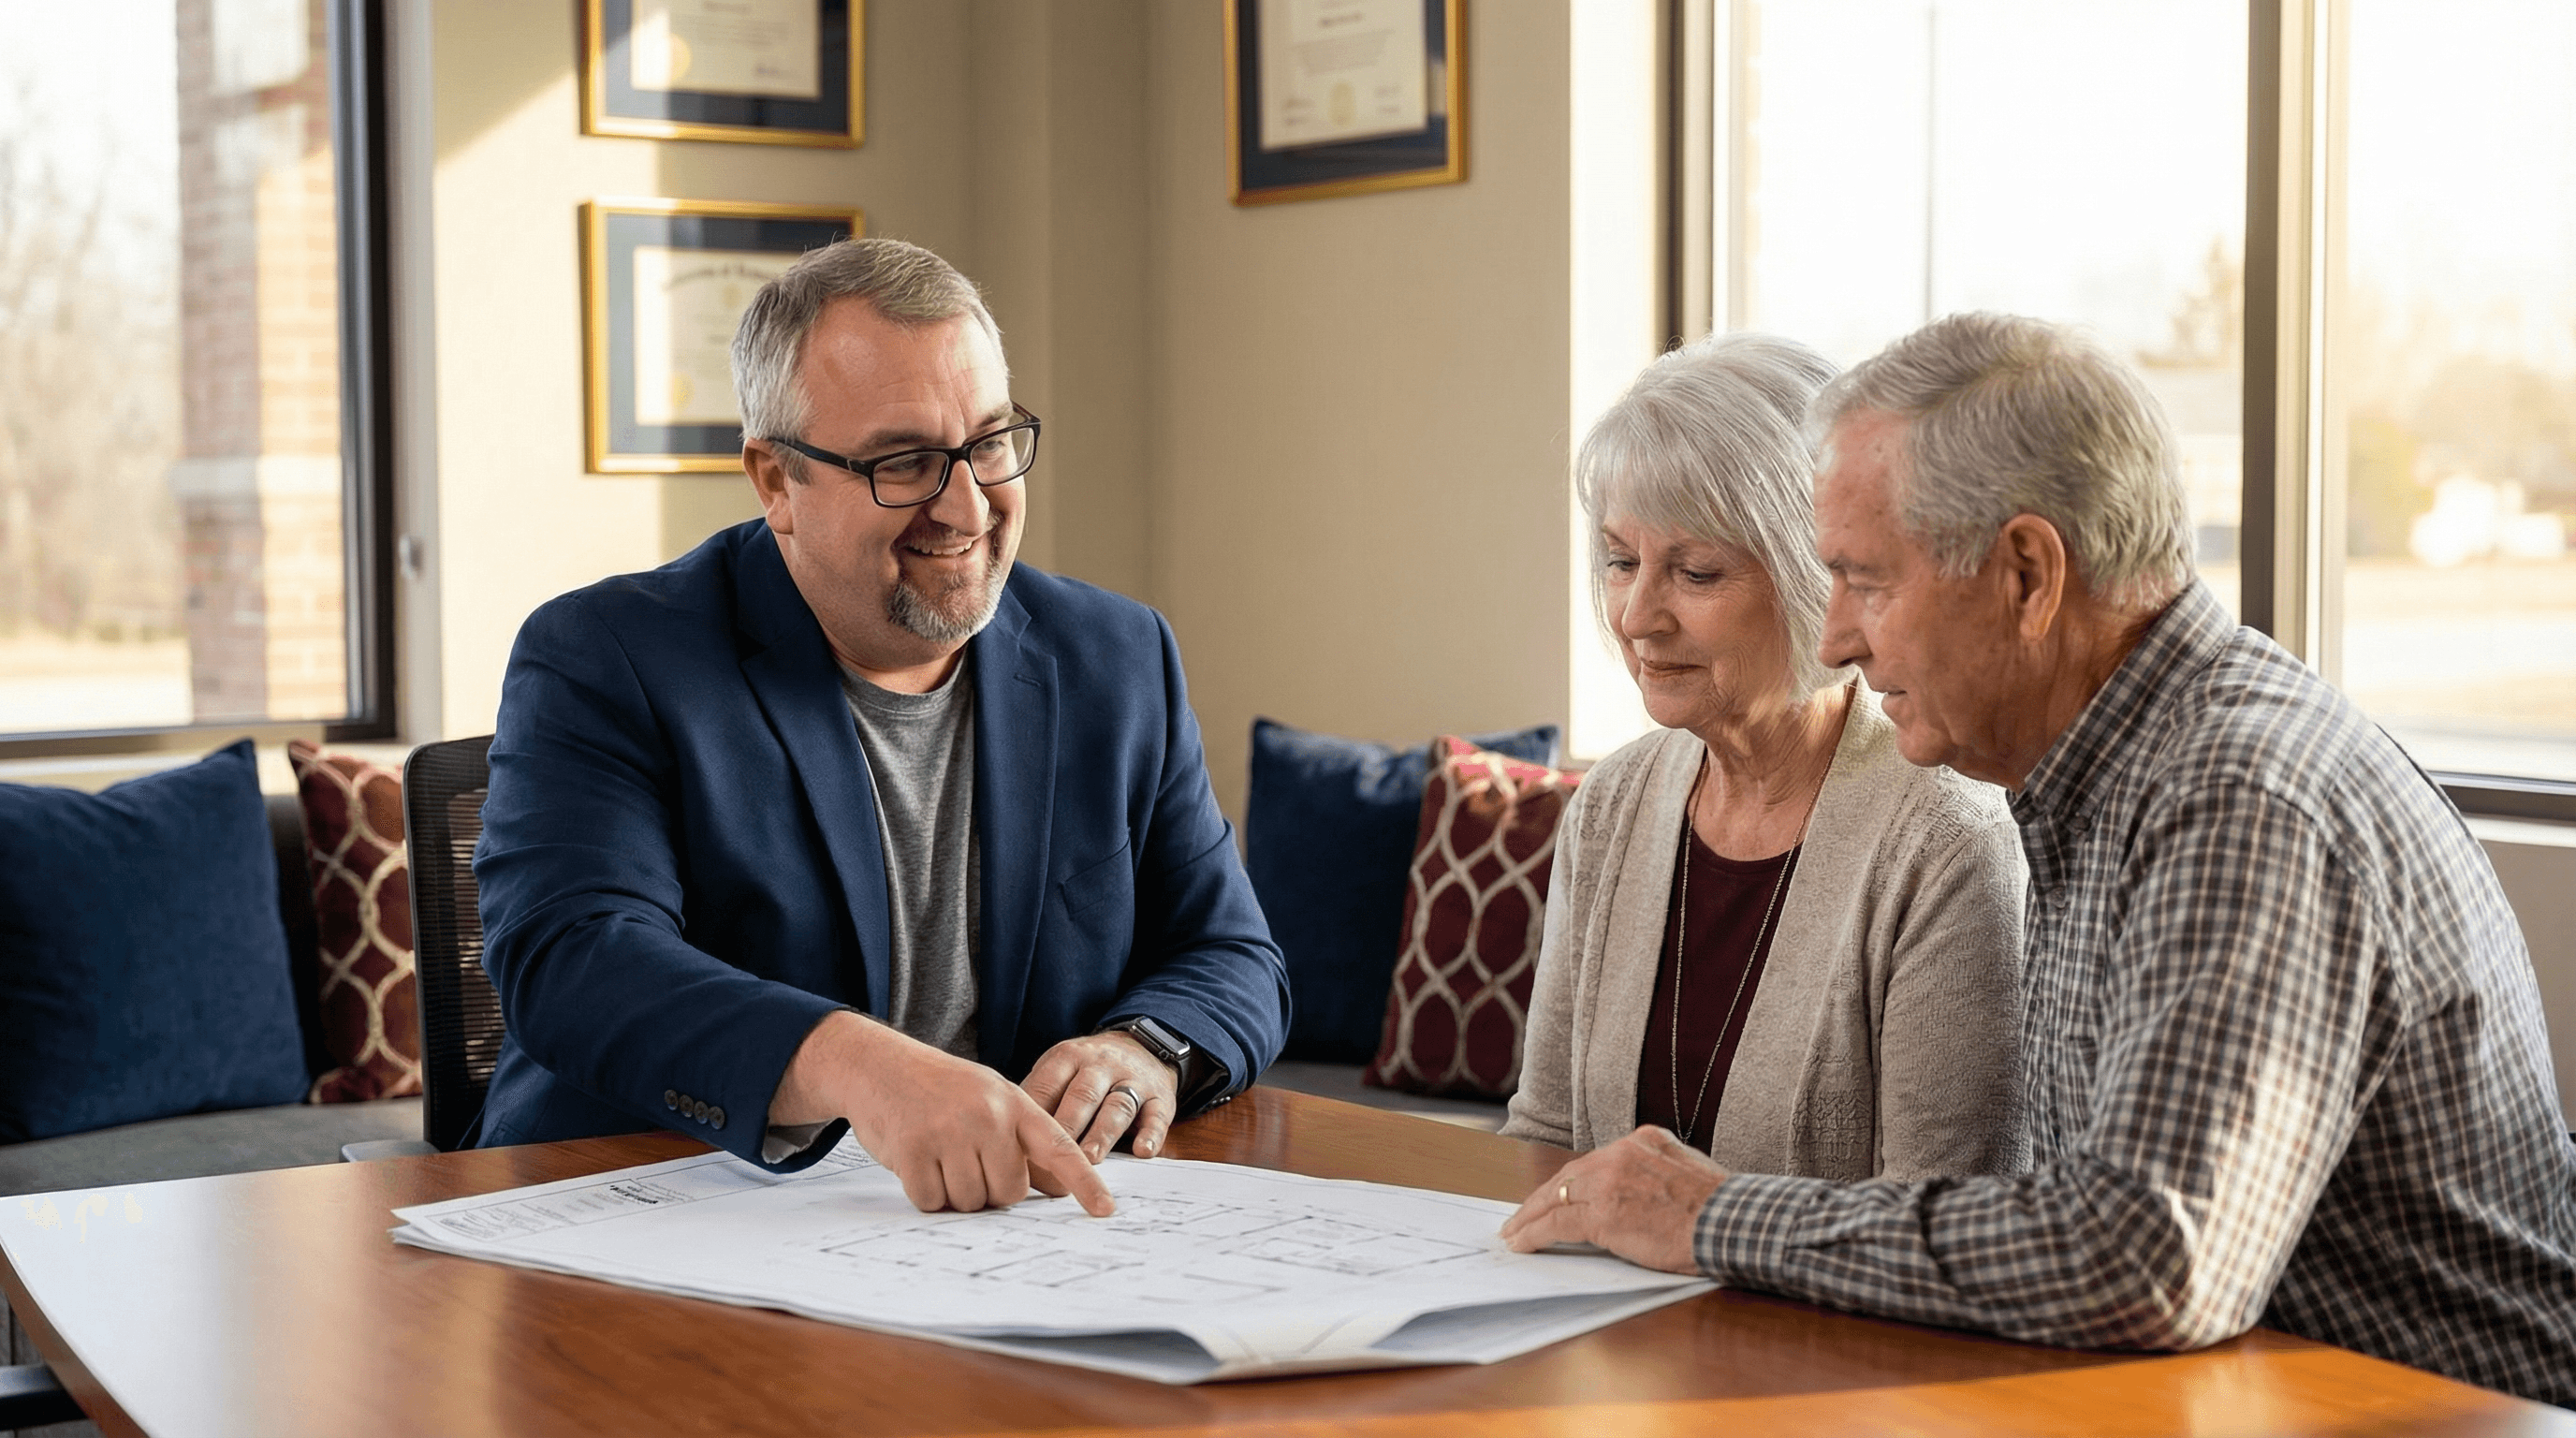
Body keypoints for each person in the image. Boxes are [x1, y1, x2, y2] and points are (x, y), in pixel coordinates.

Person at [1502, 312, 2576, 1407]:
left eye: (1867, 582)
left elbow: (2141, 1260)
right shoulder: (2109, 773)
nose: (1836, 640)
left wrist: (1714, 1218)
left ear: (2026, 574)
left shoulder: (2235, 797)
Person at [473, 238, 1290, 1217]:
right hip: (657, 1220)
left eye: (988, 442)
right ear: (776, 481)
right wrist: (858, 1065)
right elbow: (574, 958)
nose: (966, 504)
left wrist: (1144, 1047)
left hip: (997, 1239)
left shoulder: (1114, 656)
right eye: (905, 461)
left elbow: (1232, 954)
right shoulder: (606, 654)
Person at [1501, 333, 2027, 1182]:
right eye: (1621, 561)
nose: (1637, 616)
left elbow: (1946, 1226)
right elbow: (1545, 1137)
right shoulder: (1611, 805)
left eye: (1696, 572)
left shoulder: (1944, 841)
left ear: (1816, 577)